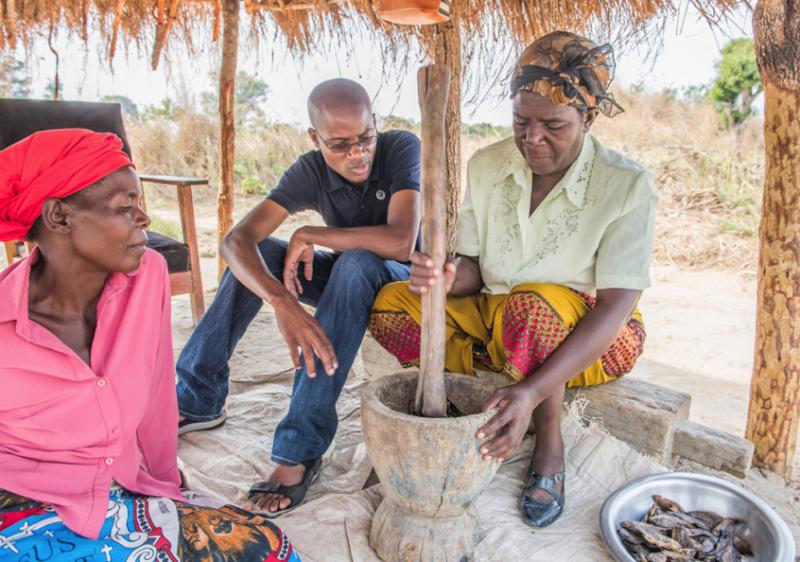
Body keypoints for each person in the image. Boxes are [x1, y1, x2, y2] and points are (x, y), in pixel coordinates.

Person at [369, 31, 657, 528]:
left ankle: (547, 440)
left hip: (594, 333)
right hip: (497, 318)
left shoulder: (626, 184)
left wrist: (531, 392)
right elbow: (474, 270)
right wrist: (445, 275)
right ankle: (494, 385)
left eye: (553, 125)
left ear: (588, 119)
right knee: (391, 304)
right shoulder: (488, 165)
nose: (533, 138)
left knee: (532, 309)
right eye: (521, 122)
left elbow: (615, 305)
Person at [0, 129, 300, 561]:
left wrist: (166, 490)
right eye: (126, 207)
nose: (144, 220)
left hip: (121, 493)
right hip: (23, 508)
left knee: (271, 549)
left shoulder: (147, 277)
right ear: (58, 217)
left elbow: (159, 395)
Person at [175, 78, 421, 516]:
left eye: (365, 138)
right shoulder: (309, 171)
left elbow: (402, 241)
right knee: (265, 254)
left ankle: (299, 450)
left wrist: (308, 233)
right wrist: (283, 302)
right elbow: (236, 240)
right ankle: (197, 396)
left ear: (376, 123)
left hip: (402, 283)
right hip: (349, 279)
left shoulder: (400, 147)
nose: (357, 154)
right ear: (315, 138)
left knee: (355, 262)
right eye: (340, 144)